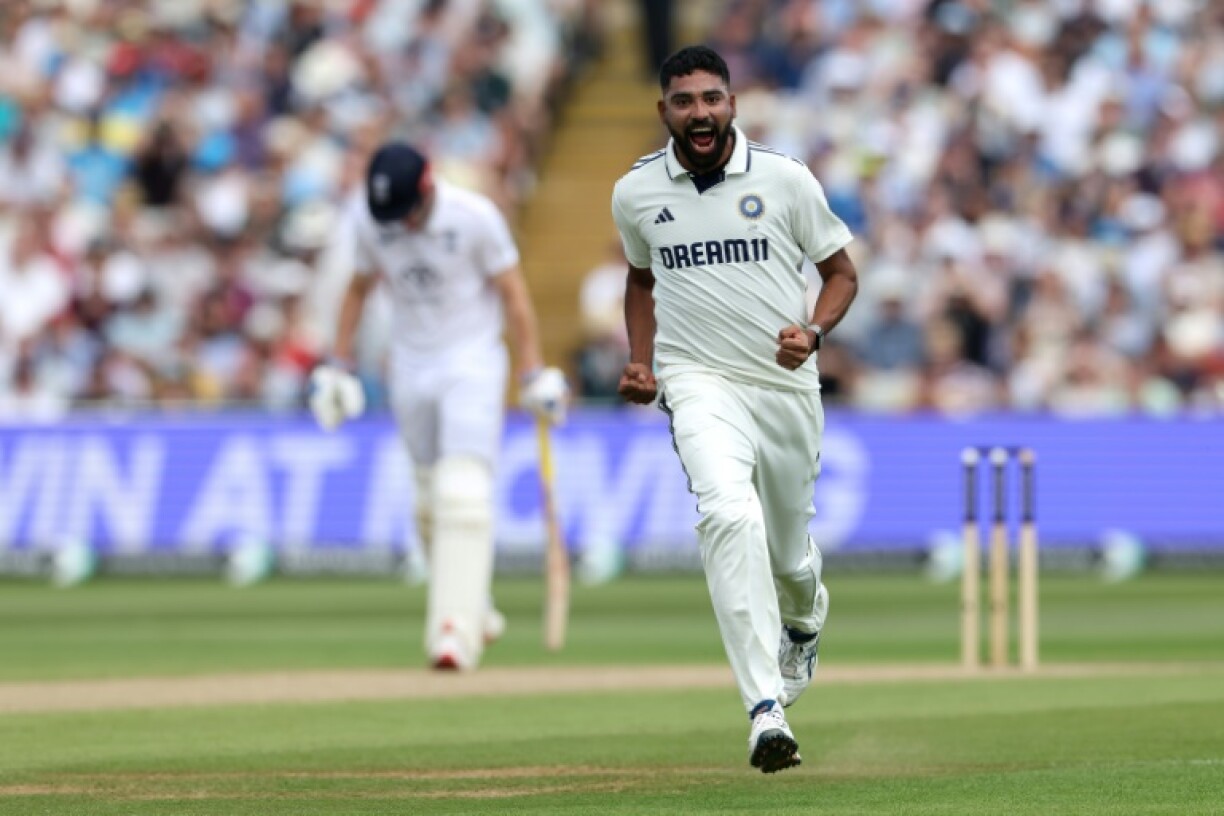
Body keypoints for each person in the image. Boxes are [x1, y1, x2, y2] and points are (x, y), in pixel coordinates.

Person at [611, 46, 859, 774]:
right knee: (728, 514)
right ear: (664, 112)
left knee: (787, 556)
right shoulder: (635, 192)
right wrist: (640, 358)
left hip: (783, 387)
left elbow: (841, 272)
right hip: (697, 382)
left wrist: (812, 330)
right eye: (684, 101)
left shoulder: (785, 179)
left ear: (732, 105)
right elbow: (640, 277)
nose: (700, 113)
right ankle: (764, 710)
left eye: (711, 98)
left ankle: (805, 622)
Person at [310, 141, 568, 671]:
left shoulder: (474, 217)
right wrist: (337, 364)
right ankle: (476, 607)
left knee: (463, 491)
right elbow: (357, 289)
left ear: (427, 187)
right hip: (408, 363)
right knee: (428, 499)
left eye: (409, 210)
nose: (401, 224)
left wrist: (531, 370)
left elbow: (513, 293)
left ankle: (454, 634)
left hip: (472, 360)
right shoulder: (369, 217)